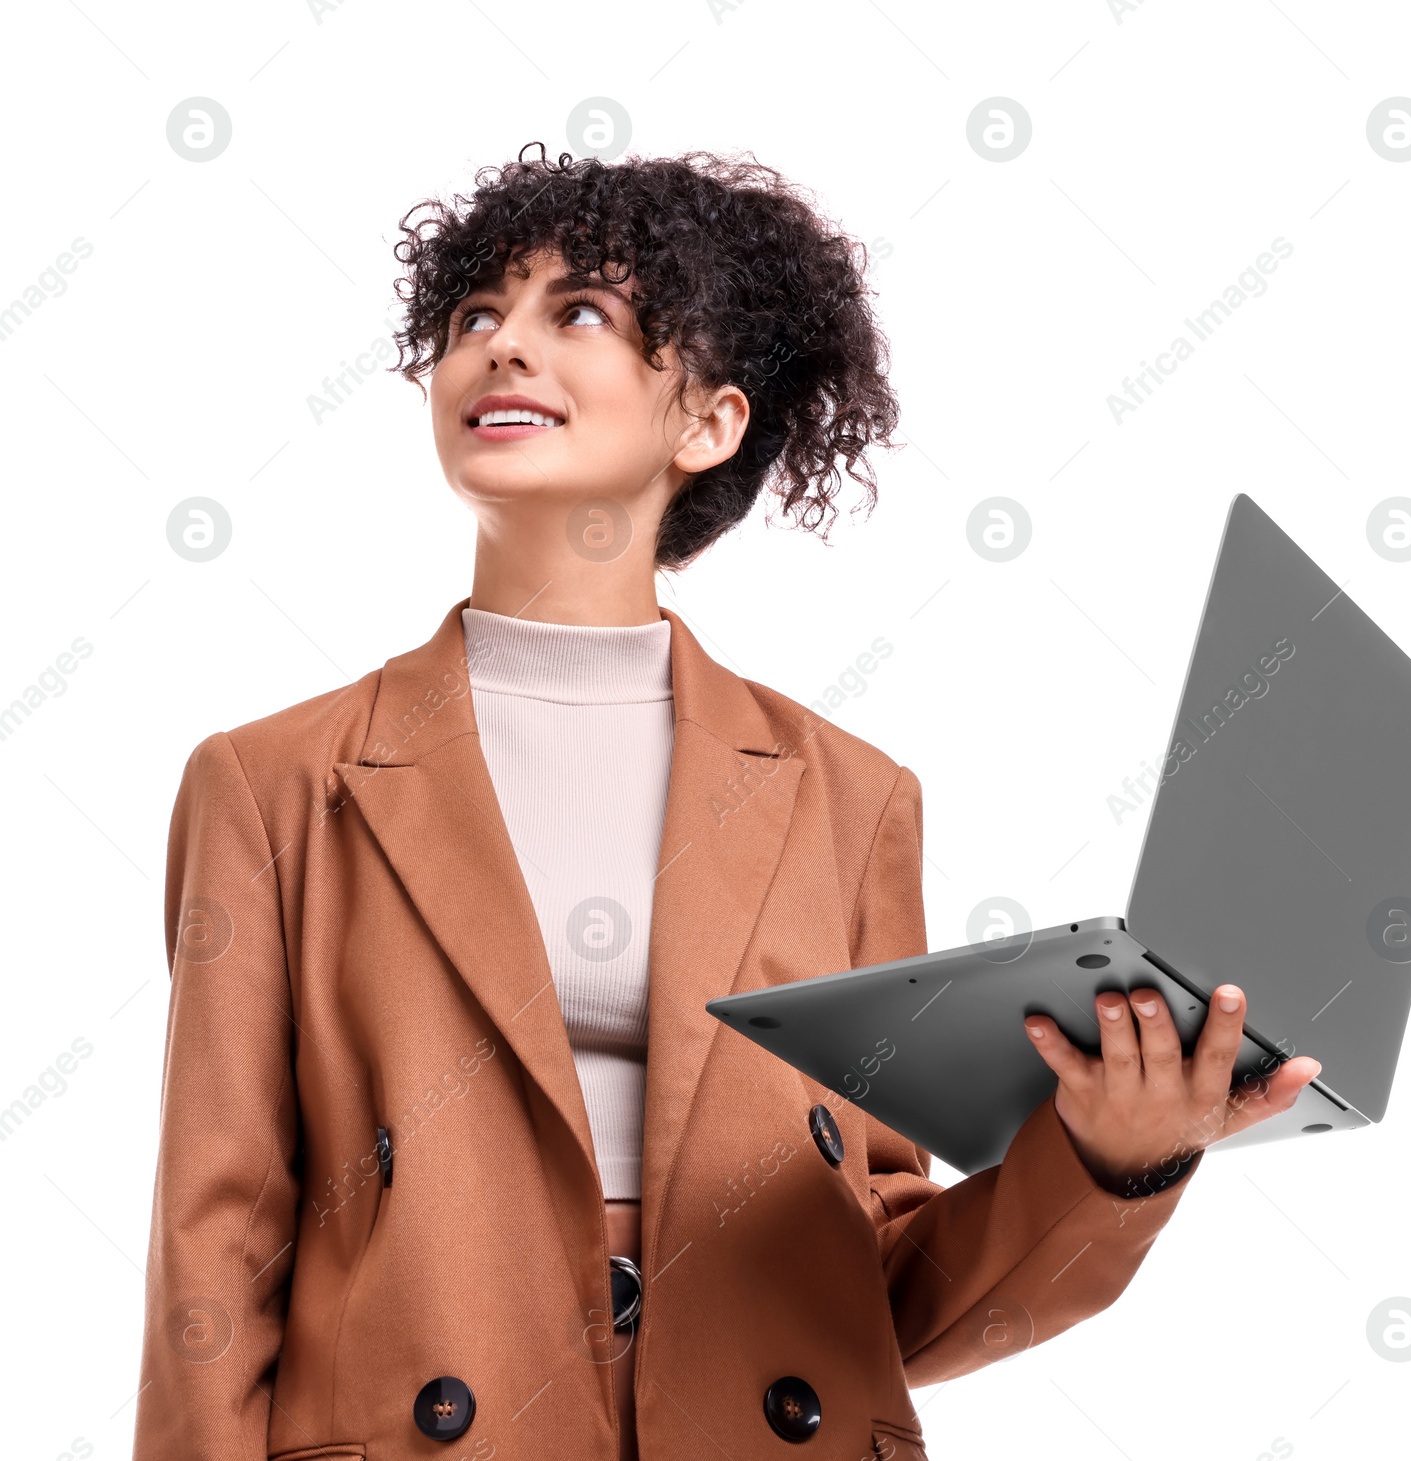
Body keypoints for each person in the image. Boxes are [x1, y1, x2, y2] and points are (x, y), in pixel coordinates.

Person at [131, 141, 1320, 1461]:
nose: (502, 347)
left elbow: (881, 1288)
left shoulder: (851, 797)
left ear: (709, 421)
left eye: (577, 311)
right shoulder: (271, 781)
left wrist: (1106, 1160)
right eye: (476, 316)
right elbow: (215, 1237)